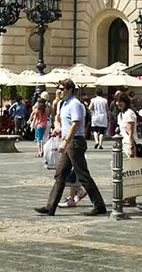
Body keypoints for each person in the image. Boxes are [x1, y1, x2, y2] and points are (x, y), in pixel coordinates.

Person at [35, 79, 107, 217]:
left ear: (69, 90)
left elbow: (76, 124)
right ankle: (50, 207)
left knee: (83, 175)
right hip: (68, 141)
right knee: (60, 174)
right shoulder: (63, 103)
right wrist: (58, 128)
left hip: (75, 142)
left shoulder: (75, 104)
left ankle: (99, 205)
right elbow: (61, 120)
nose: (59, 91)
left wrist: (66, 140)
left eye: (62, 89)